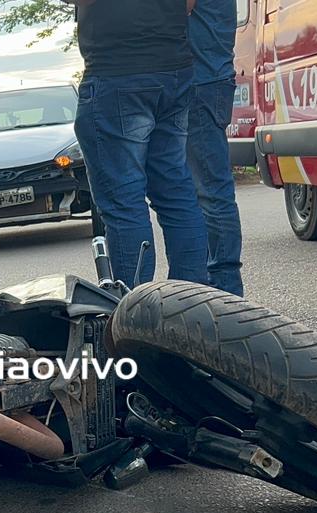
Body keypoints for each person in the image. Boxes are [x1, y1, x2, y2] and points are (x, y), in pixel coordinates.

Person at [67, 0, 209, 288]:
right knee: (175, 193)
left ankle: (136, 311)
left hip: (118, 71)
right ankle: (192, 300)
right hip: (173, 68)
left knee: (124, 202)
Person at [187, 0, 244, 296]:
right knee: (206, 191)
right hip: (207, 78)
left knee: (210, 191)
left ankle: (225, 287)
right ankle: (220, 284)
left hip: (200, 81)